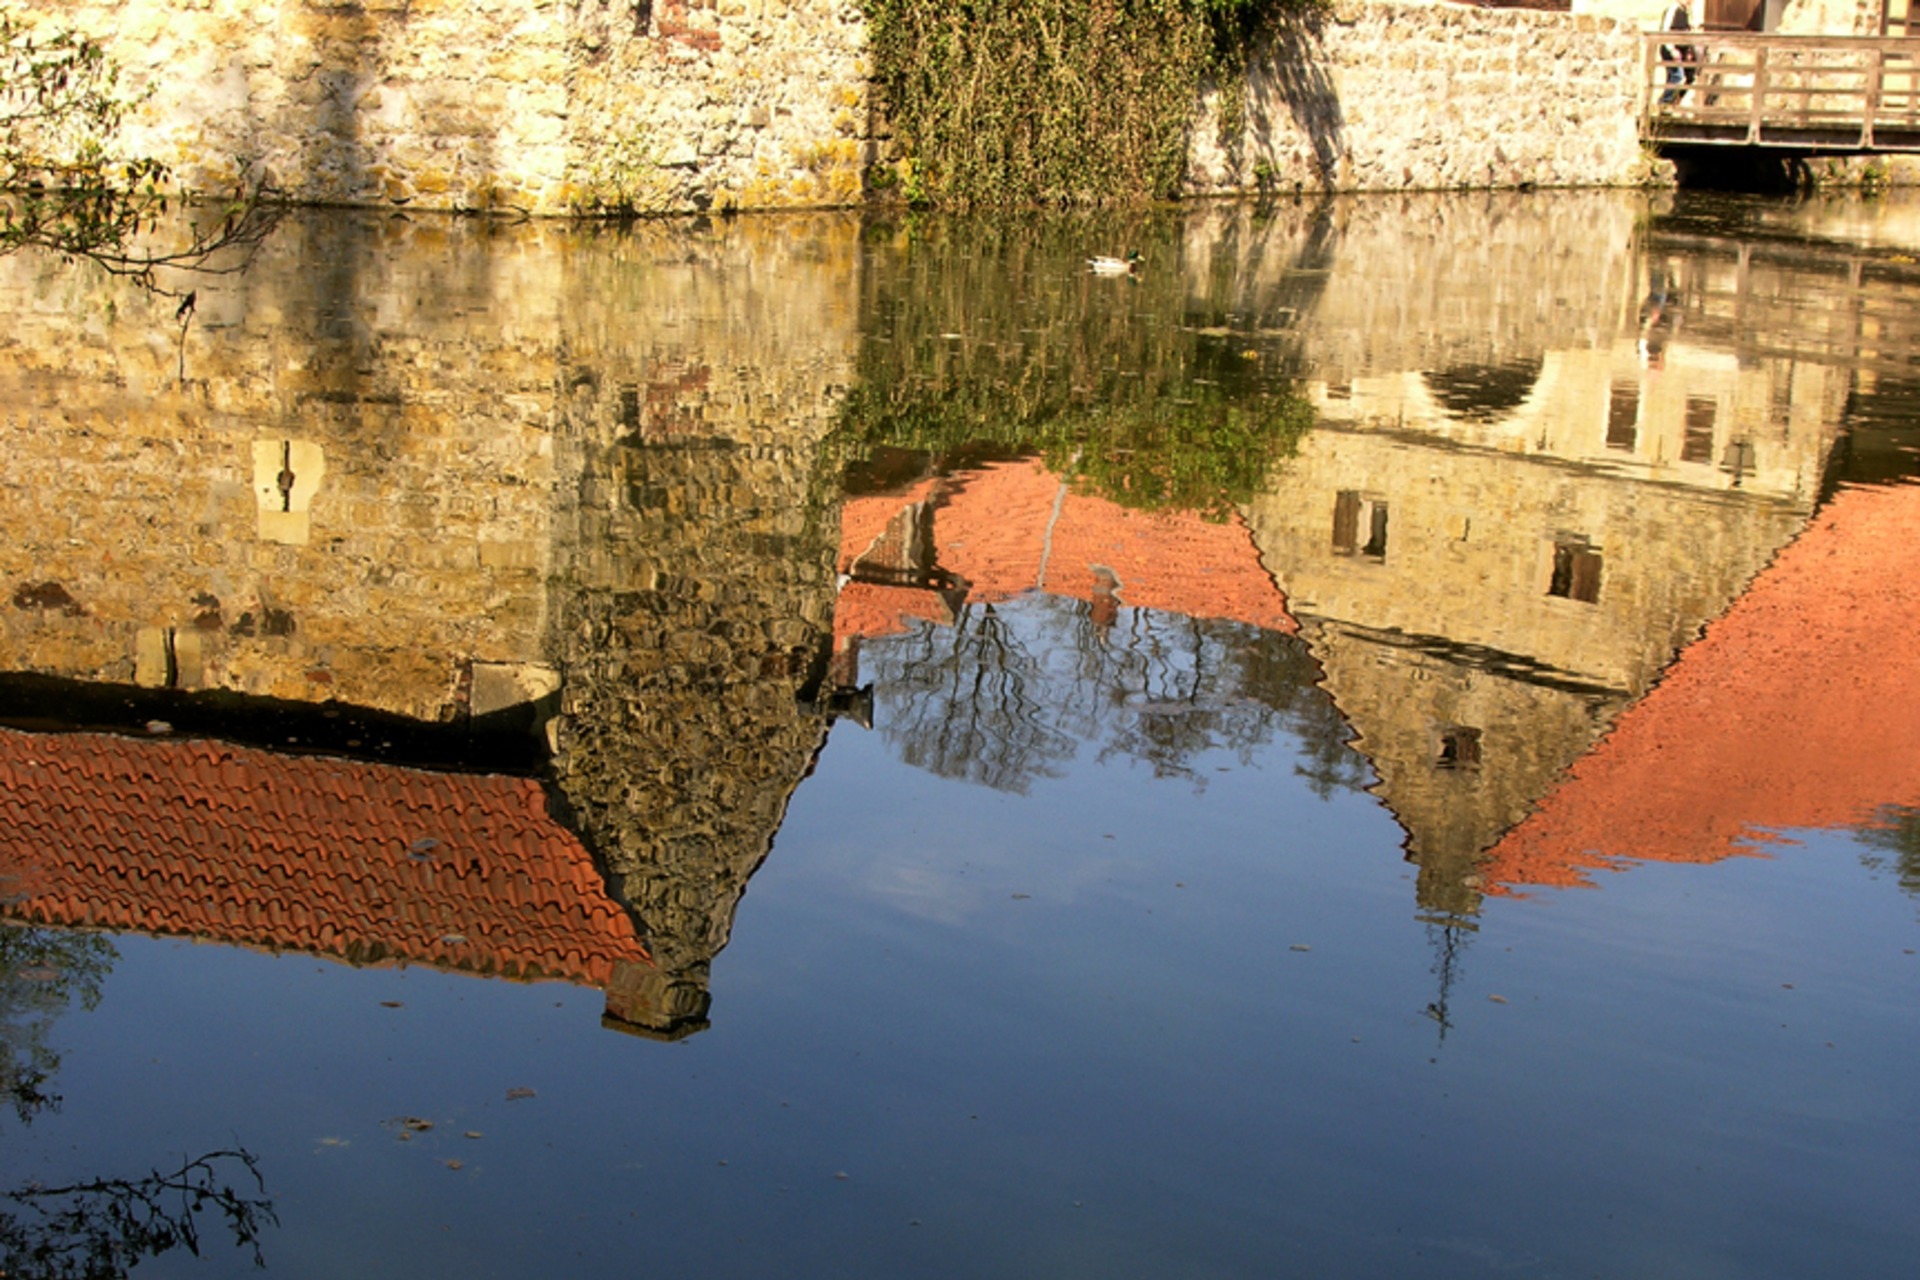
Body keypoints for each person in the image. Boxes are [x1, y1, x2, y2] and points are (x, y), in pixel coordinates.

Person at [1659, 0, 1698, 106]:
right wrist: (1672, 49)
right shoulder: (1673, 10)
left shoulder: (1688, 12)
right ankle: (1664, 102)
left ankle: (1675, 101)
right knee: (1677, 76)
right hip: (1671, 48)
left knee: (1690, 76)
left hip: (1683, 50)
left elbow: (1689, 34)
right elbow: (1665, 31)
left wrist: (1689, 51)